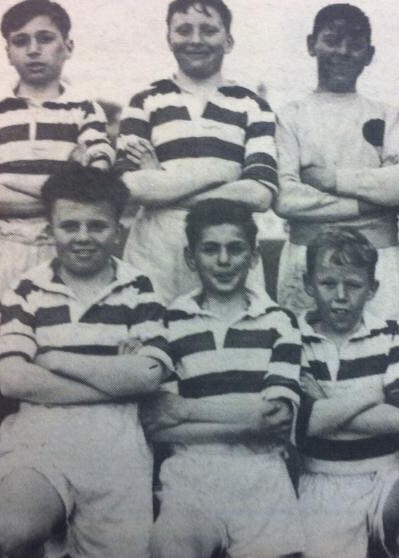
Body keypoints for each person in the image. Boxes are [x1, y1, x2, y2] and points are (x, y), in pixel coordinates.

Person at [0, 164, 164, 557]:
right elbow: (12, 380)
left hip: (116, 443)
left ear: (118, 230)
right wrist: (115, 381)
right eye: (70, 226)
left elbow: (150, 376)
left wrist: (53, 358)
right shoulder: (28, 287)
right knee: (8, 533)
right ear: (51, 230)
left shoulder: (139, 287)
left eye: (97, 226)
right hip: (41, 434)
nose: (83, 237)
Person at [137, 199, 304, 558]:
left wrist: (184, 410)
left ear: (254, 256)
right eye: (211, 249)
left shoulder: (279, 320)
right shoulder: (169, 321)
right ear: (191, 257)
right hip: (190, 474)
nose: (224, 261)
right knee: (169, 548)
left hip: (262, 474)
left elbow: (275, 418)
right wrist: (246, 418)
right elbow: (157, 426)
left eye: (236, 249)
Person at [295, 227, 399, 558]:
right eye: (328, 283)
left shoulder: (390, 333)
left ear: (372, 288)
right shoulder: (293, 336)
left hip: (389, 473)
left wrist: (325, 404)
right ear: (308, 284)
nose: (340, 296)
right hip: (322, 480)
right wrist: (374, 396)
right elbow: (301, 423)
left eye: (354, 285)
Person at [116, 0, 276, 303]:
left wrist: (163, 182)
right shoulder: (144, 102)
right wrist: (220, 174)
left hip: (227, 244)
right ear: (169, 39)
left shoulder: (253, 105)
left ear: (228, 40)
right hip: (156, 248)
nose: (195, 40)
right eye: (184, 30)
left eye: (208, 30)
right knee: (152, 338)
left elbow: (260, 195)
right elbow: (129, 187)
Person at [0, 0, 115, 295]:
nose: (33, 49)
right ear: (8, 53)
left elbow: (93, 185)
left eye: (46, 38)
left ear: (68, 46)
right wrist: (61, 185)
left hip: (58, 248)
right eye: (21, 41)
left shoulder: (86, 111)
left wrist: (4, 181)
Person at [274, 3, 399, 332]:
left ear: (369, 54)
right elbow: (286, 198)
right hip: (306, 261)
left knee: (389, 359)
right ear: (311, 44)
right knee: (304, 364)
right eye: (332, 40)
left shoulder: (389, 116)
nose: (343, 52)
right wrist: (370, 201)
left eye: (354, 44)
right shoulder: (291, 115)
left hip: (380, 261)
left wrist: (331, 179)